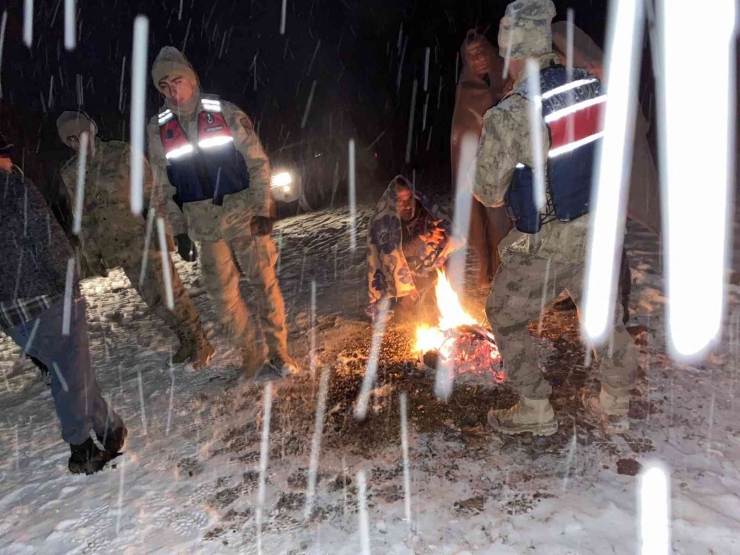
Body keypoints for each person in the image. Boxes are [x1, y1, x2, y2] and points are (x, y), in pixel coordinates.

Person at [473, 0, 639, 436]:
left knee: (504, 316)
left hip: (550, 243)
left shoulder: (510, 113)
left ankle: (535, 407)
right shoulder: (593, 87)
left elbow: (487, 192)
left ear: (512, 49)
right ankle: (617, 396)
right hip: (600, 230)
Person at [147, 47, 297, 382]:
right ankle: (252, 353)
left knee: (264, 284)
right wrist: (179, 230)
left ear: (191, 79)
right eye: (164, 86)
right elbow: (163, 186)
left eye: (177, 81)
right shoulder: (159, 130)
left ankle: (279, 351)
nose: (172, 90)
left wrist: (263, 210)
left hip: (243, 213)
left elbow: (257, 163)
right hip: (203, 224)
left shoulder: (224, 112)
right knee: (223, 297)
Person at [0, 133, 127, 474]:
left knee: (71, 367)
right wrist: (71, 283)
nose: (11, 161)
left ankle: (108, 428)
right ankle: (81, 449)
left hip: (12, 314)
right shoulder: (15, 189)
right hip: (47, 298)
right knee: (69, 374)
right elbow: (48, 240)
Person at [57, 111, 214, 369]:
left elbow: (153, 194)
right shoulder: (72, 173)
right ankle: (184, 338)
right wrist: (90, 253)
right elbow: (82, 216)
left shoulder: (122, 154)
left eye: (80, 134)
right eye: (71, 139)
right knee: (153, 300)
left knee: (171, 293)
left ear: (92, 130)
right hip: (117, 247)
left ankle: (200, 341)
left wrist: (163, 231)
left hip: (144, 237)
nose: (77, 142)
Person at [451, 29, 513, 286]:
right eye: (472, 56)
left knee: (504, 221)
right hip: (477, 166)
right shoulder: (467, 89)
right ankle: (488, 269)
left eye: (481, 52)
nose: (479, 59)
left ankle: (506, 271)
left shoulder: (508, 78)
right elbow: (463, 132)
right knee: (482, 219)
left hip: (503, 164)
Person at [367, 175, 463, 319]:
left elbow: (452, 242)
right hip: (394, 276)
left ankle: (431, 291)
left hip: (424, 272)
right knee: (401, 314)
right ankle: (403, 297)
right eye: (400, 201)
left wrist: (440, 238)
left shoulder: (425, 215)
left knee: (439, 248)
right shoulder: (383, 223)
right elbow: (393, 256)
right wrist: (421, 238)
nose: (407, 206)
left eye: (410, 200)